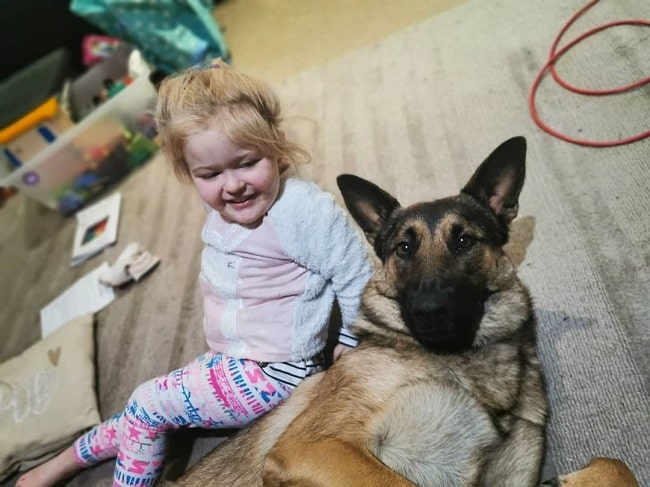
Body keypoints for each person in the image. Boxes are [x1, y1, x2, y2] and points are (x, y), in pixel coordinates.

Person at [17, 59, 373, 487]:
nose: (233, 185)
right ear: (190, 172)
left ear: (276, 145)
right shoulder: (223, 195)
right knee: (145, 411)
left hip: (275, 370)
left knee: (146, 404)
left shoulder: (302, 211)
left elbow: (354, 271)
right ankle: (62, 463)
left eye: (247, 163)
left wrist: (351, 343)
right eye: (210, 174)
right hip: (234, 352)